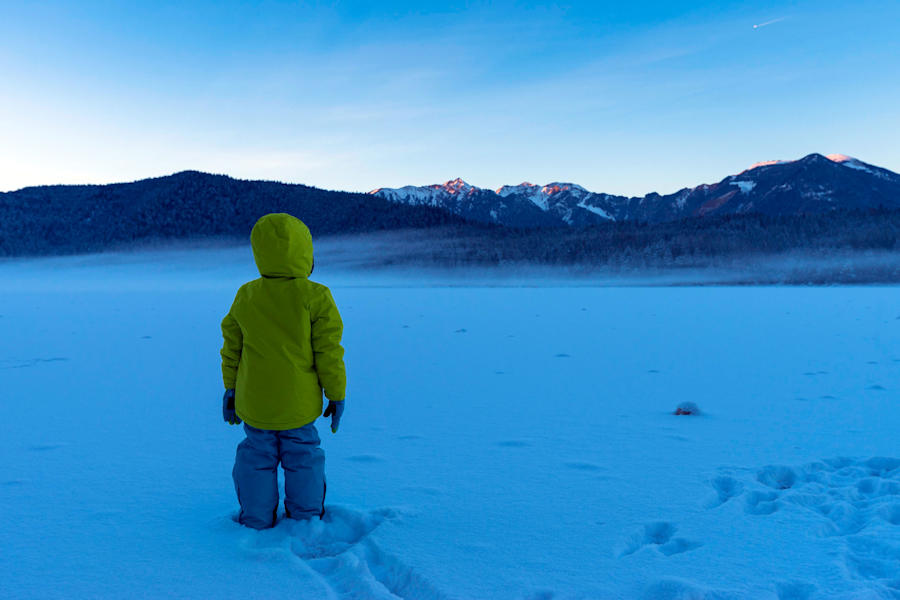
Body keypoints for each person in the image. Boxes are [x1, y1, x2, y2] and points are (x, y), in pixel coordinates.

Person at [219, 213, 346, 530]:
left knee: (256, 460)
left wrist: (231, 389)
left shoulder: (247, 295)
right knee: (303, 459)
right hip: (298, 406)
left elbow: (232, 348)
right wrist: (336, 394)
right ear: (306, 253)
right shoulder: (316, 296)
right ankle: (305, 520)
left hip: (255, 404)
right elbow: (329, 352)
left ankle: (256, 520)